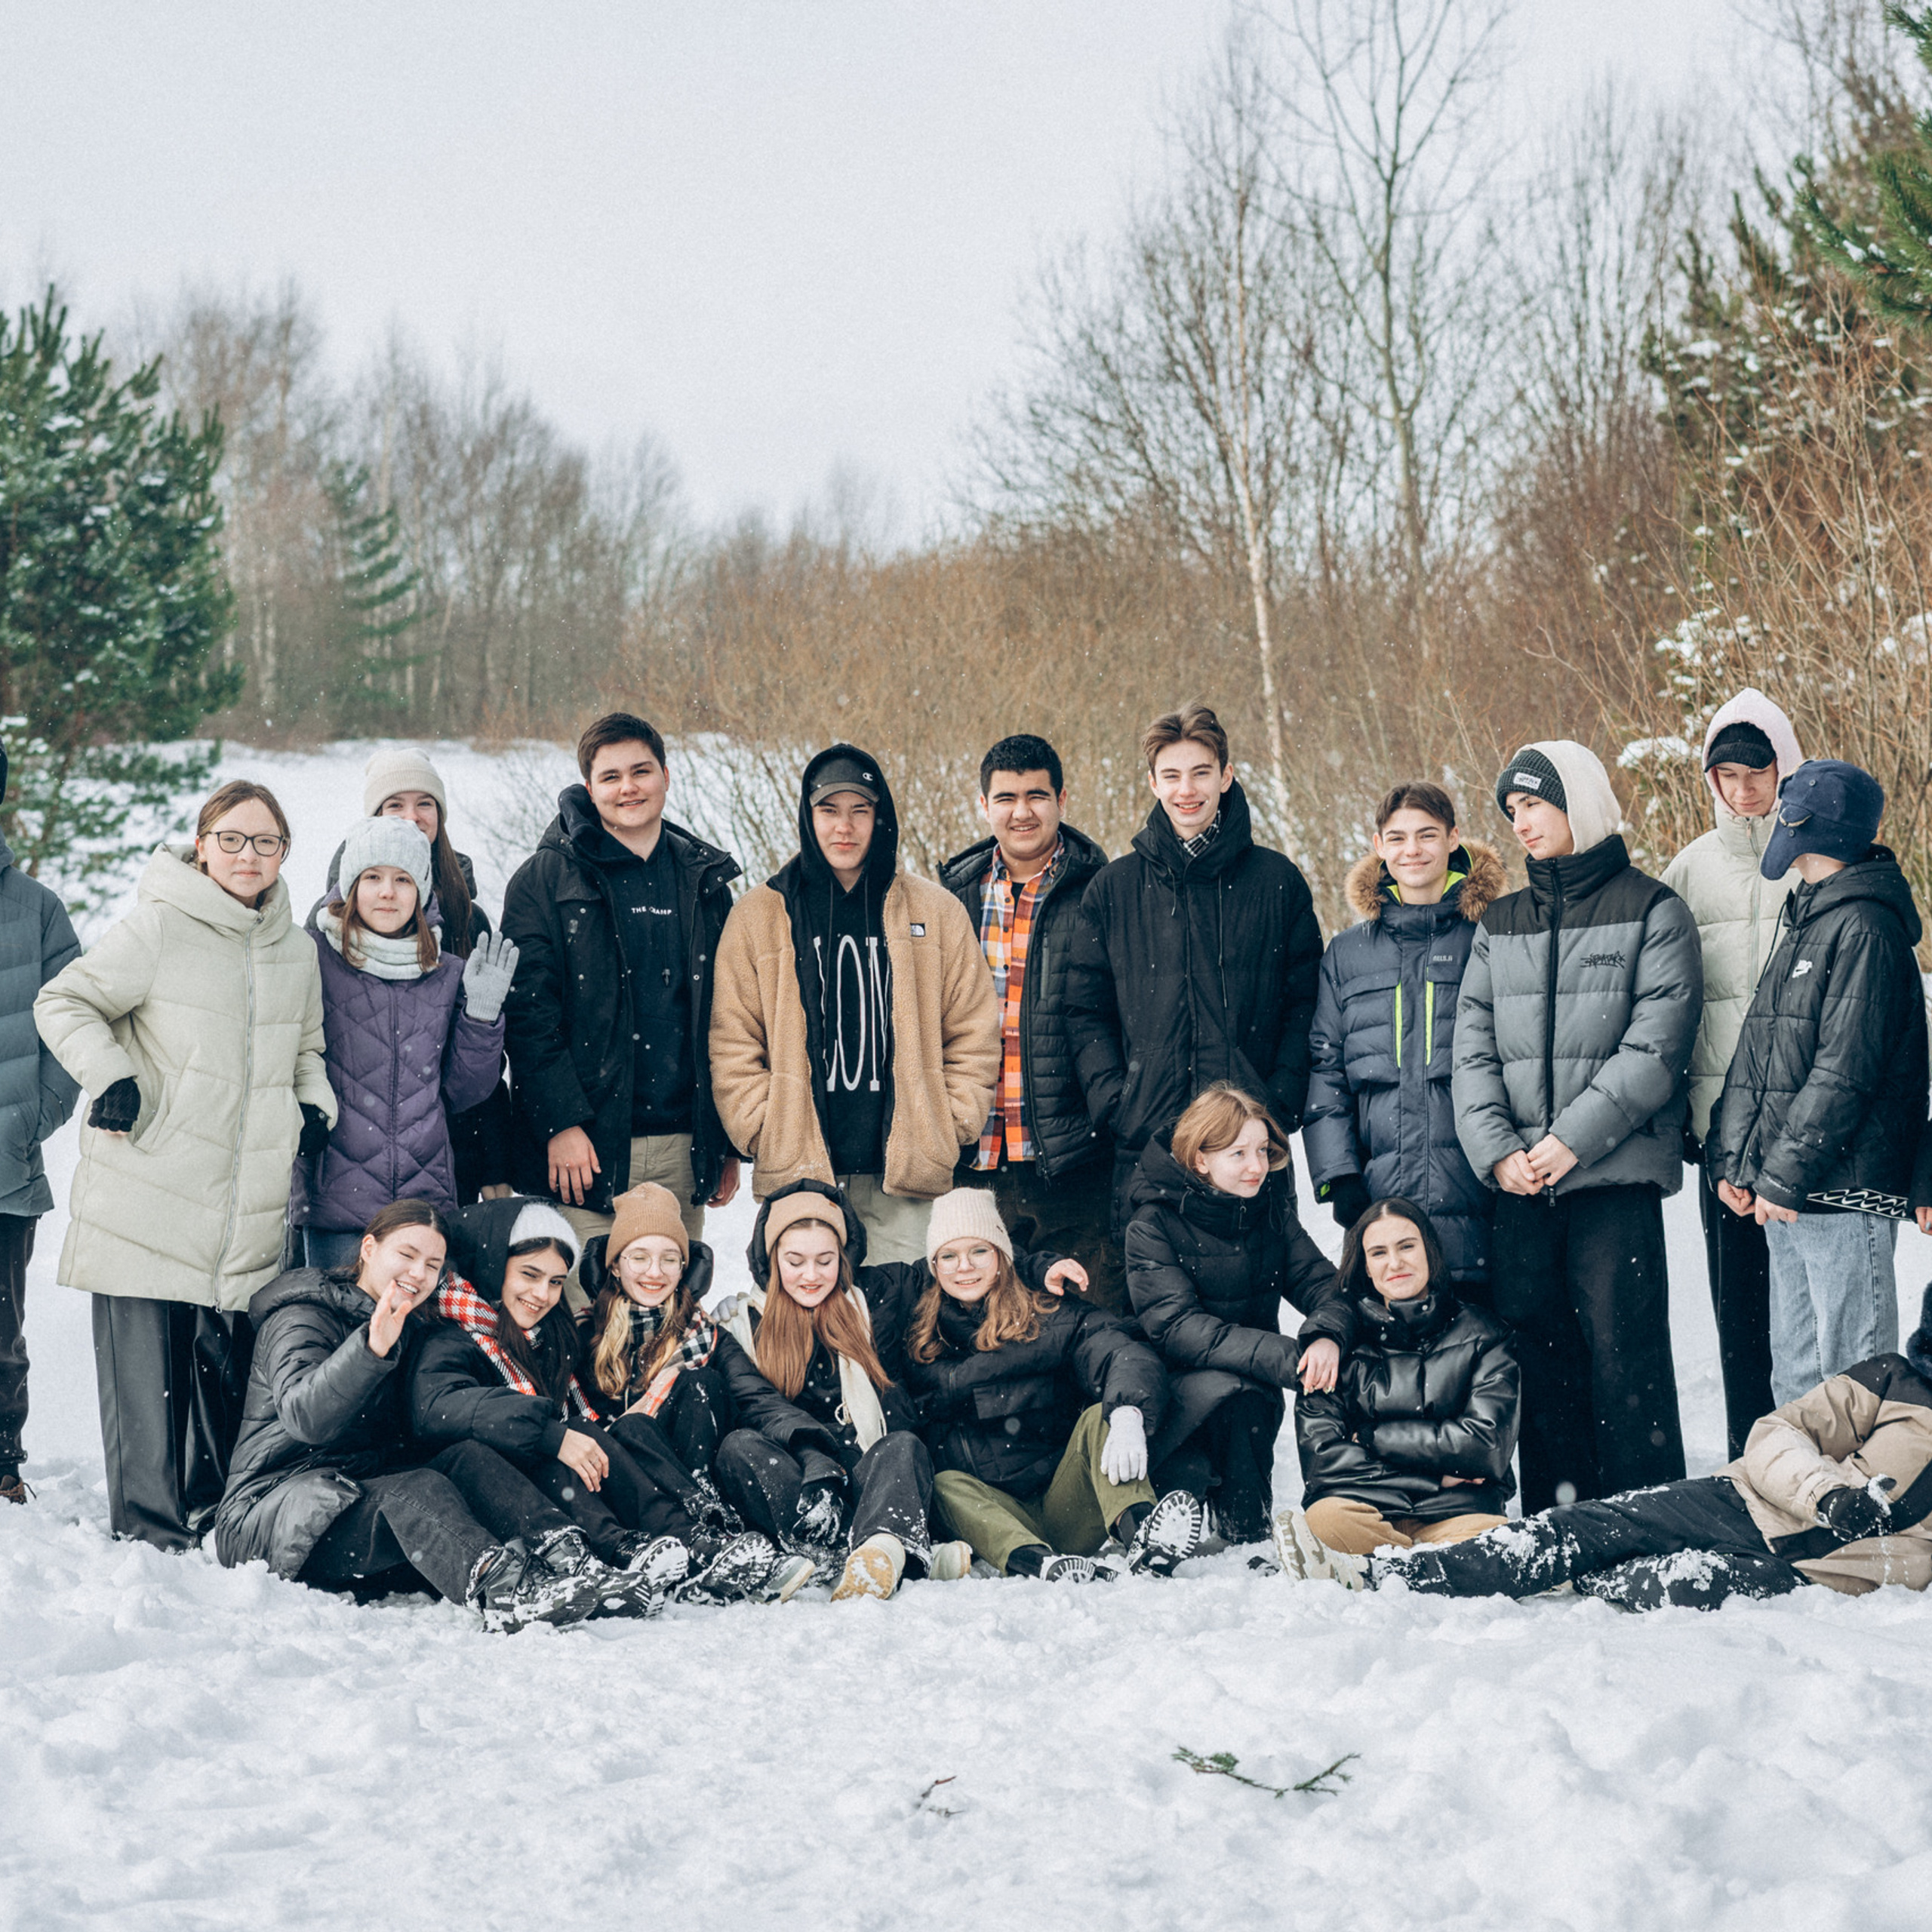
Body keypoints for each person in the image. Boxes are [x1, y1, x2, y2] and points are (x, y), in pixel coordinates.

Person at [35, 781, 338, 1550]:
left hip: (241, 1200)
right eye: (232, 839)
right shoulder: (159, 927)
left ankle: (203, 1509)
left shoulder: (293, 949)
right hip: (150, 1178)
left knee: (212, 1367)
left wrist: (311, 1102)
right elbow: (64, 1002)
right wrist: (111, 1075)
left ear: (283, 854)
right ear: (202, 844)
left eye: (265, 842)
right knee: (143, 1375)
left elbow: (306, 1046)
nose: (248, 855)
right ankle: (147, 1528)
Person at [1452, 740, 1702, 1512]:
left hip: (1610, 1181)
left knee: (1624, 1358)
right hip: (1521, 1186)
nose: (1522, 822)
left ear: (1581, 803)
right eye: (1513, 809)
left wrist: (1570, 1141)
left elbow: (1655, 1047)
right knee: (1539, 1357)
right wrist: (1499, 1154)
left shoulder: (1652, 908)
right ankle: (1560, 1520)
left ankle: (1643, 1517)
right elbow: (1471, 1047)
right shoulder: (1501, 921)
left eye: (1536, 803)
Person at [214, 1200, 657, 1629]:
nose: (418, 1273)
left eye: (432, 1264)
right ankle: (506, 1592)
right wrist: (370, 1349)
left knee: (466, 1456)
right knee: (417, 1488)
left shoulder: (412, 1323)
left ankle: (569, 1561)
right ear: (369, 1249)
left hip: (357, 1492)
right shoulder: (301, 1318)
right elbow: (305, 1418)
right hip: (275, 1512)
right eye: (406, 1255)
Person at [1368, 1289, 1932, 1610]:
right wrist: (1829, 1495)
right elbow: (1776, 1434)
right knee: (1580, 1530)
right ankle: (1403, 1578)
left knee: (1682, 1584)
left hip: (1810, 1576)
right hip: (1740, 1500)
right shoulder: (1895, 1381)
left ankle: (1591, 1576)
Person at [408, 1194, 786, 1602]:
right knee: (575, 1438)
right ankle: (628, 1545)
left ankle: (685, 1537)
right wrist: (551, 1434)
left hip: (563, 1471)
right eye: (529, 1275)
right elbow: (436, 1408)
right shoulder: (451, 1335)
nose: (542, 1293)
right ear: (494, 1267)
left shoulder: (548, 1337)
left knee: (599, 1431)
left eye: (555, 1282)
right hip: (484, 1484)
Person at [709, 745, 1000, 1264]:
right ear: (808, 815)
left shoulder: (935, 911)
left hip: (905, 1182)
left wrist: (946, 1125)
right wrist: (764, 1128)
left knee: (906, 1332)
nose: (844, 827)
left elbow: (973, 1031)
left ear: (879, 817)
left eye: (859, 810)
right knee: (810, 1333)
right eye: (829, 810)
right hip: (801, 1178)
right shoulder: (760, 915)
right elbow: (734, 1041)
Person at [1711, 759, 1928, 1403]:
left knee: (1854, 1380)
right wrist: (1741, 1162)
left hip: (1841, 1188)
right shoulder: (1809, 916)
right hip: (1793, 1194)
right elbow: (1760, 1051)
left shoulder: (1865, 926)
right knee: (1799, 1380)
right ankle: (1805, 1500)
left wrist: (1783, 1174)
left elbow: (1846, 1071)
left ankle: (1869, 1500)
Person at [1066, 703, 1323, 1238]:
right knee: (1149, 1312)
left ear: (1226, 776)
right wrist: (1117, 1102)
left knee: (1248, 1311)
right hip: (1148, 1143)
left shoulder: (1276, 882)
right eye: (1173, 775)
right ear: (1154, 783)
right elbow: (1086, 1011)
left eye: (1202, 772)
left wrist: (1275, 1101)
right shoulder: (1115, 889)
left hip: (1248, 1147)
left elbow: (1306, 1004)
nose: (1188, 790)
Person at [502, 712, 743, 1266]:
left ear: (665, 776)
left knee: (669, 1322)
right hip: (586, 1151)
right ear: (589, 789)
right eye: (611, 777)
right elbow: (529, 1014)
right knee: (587, 1324)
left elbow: (725, 1020)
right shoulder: (545, 879)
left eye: (641, 771)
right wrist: (560, 1121)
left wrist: (722, 1140)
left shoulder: (702, 880)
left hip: (684, 1147)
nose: (628, 787)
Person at [907, 1188, 1204, 1582]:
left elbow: (1120, 1351)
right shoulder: (918, 1333)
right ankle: (1037, 1562)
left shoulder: (1051, 1313)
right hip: (991, 1515)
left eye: (979, 1251)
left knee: (1106, 1415)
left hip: (1065, 1501)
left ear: (1001, 1256)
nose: (964, 1267)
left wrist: (1130, 1412)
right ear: (934, 1266)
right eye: (949, 1255)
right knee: (944, 1484)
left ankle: (1144, 1535)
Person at [1660, 691, 1804, 1458]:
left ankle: (1822, 1467)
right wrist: (1683, 1112)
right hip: (1722, 1130)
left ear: (1786, 765)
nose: (1744, 789)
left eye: (1758, 771)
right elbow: (1670, 1001)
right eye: (1727, 773)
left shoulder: (1814, 859)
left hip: (1808, 1130)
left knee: (1810, 1312)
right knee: (1741, 1311)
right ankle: (1754, 1463)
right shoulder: (1688, 868)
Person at [1124, 1084, 1351, 1545]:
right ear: (1200, 1159)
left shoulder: (1270, 1211)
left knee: (1248, 1399)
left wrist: (1328, 1334)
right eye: (1239, 1154)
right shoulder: (1152, 1224)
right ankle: (1154, 1524)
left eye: (1263, 1151)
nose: (1257, 1167)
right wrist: (1290, 1357)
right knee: (1224, 1411)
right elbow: (1177, 1328)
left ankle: (1251, 1529)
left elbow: (1322, 1285)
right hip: (1175, 1396)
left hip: (1251, 1389)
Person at [939, 735, 1119, 1306]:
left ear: (1062, 799)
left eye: (1037, 795)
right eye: (1007, 797)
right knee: (985, 1329)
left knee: (1084, 1324)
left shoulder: (1105, 893)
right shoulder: (950, 898)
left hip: (1070, 1161)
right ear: (983, 805)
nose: (1022, 812)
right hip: (974, 1158)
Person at [1302, 782, 1504, 1284]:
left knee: (1482, 1342)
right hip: (1380, 1194)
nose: (1411, 850)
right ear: (1378, 846)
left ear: (1454, 838)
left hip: (1480, 1186)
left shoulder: (1493, 935)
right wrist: (1339, 1175)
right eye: (1397, 838)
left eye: (1427, 835)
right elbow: (1326, 1067)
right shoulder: (1347, 954)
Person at [298, 817, 512, 1268]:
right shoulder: (312, 958)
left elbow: (464, 1091)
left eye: (402, 879)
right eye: (372, 877)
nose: (387, 892)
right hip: (336, 1206)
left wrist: (481, 1015)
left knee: (424, 1336)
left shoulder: (449, 972)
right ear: (350, 887)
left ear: (422, 892)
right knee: (338, 1332)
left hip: (424, 1206)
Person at [1275, 1198, 1517, 1583]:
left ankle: (1374, 1570)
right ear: (1366, 1268)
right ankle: (1433, 1569)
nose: (1395, 1262)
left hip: (1459, 1516)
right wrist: (1436, 1476)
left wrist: (1371, 1437)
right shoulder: (1334, 1347)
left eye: (1407, 1246)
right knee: (1323, 1520)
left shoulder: (1485, 1335)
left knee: (1493, 1540)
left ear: (1429, 1252)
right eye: (1379, 1253)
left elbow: (1485, 1446)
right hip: (1364, 1517)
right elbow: (1325, 1464)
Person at [322, 745, 514, 1201]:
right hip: (349, 1169)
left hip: (444, 1159)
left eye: (424, 803)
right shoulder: (333, 923)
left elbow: (477, 1057)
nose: (411, 817)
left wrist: (493, 1163)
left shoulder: (468, 920)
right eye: (394, 805)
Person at [0, 742, 82, 1504]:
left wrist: (30, 1121)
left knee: (0, 1329)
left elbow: (73, 1030)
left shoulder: (37, 910)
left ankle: (1, 1461)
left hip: (4, 1165)